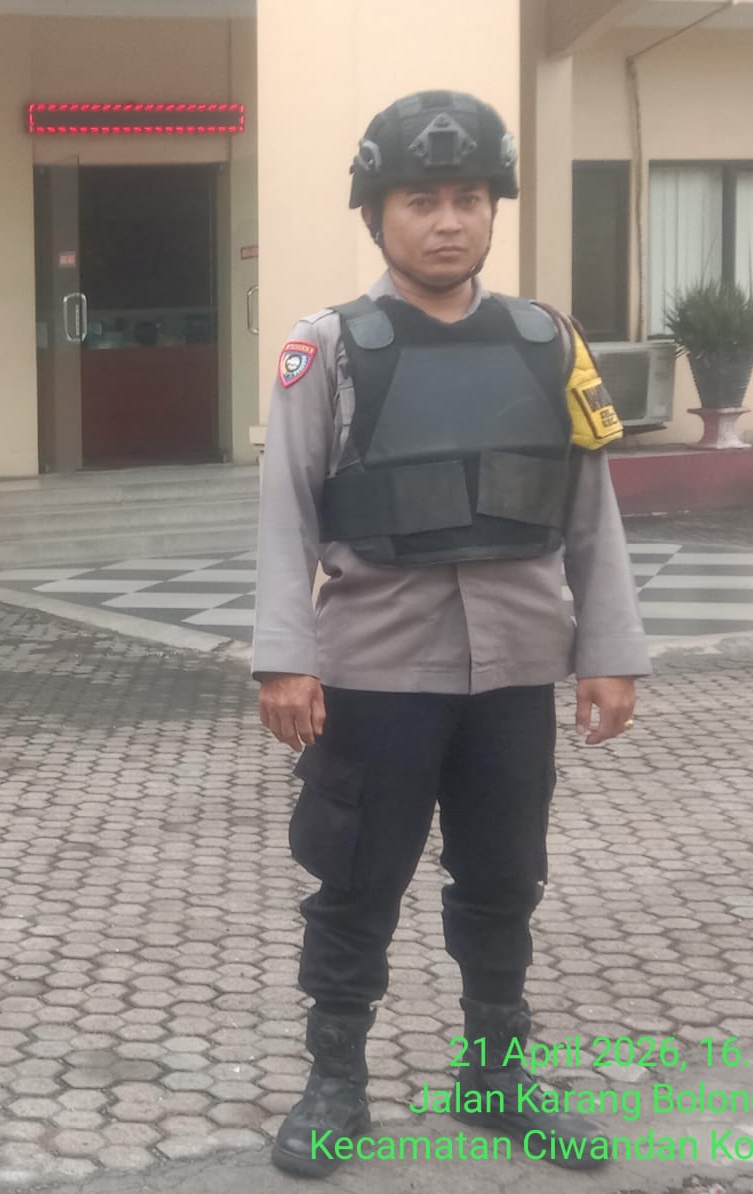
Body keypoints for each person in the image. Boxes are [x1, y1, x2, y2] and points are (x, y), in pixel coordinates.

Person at [253, 90, 651, 1178]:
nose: (446, 221)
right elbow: (285, 509)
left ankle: (495, 1079)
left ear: (493, 210)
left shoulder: (547, 341)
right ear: (376, 214)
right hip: (376, 667)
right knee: (355, 880)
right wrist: (284, 659)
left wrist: (610, 652)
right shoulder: (329, 348)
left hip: (516, 667)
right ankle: (336, 1082)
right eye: (420, 200)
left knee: (504, 879)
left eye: (468, 198)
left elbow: (590, 509)